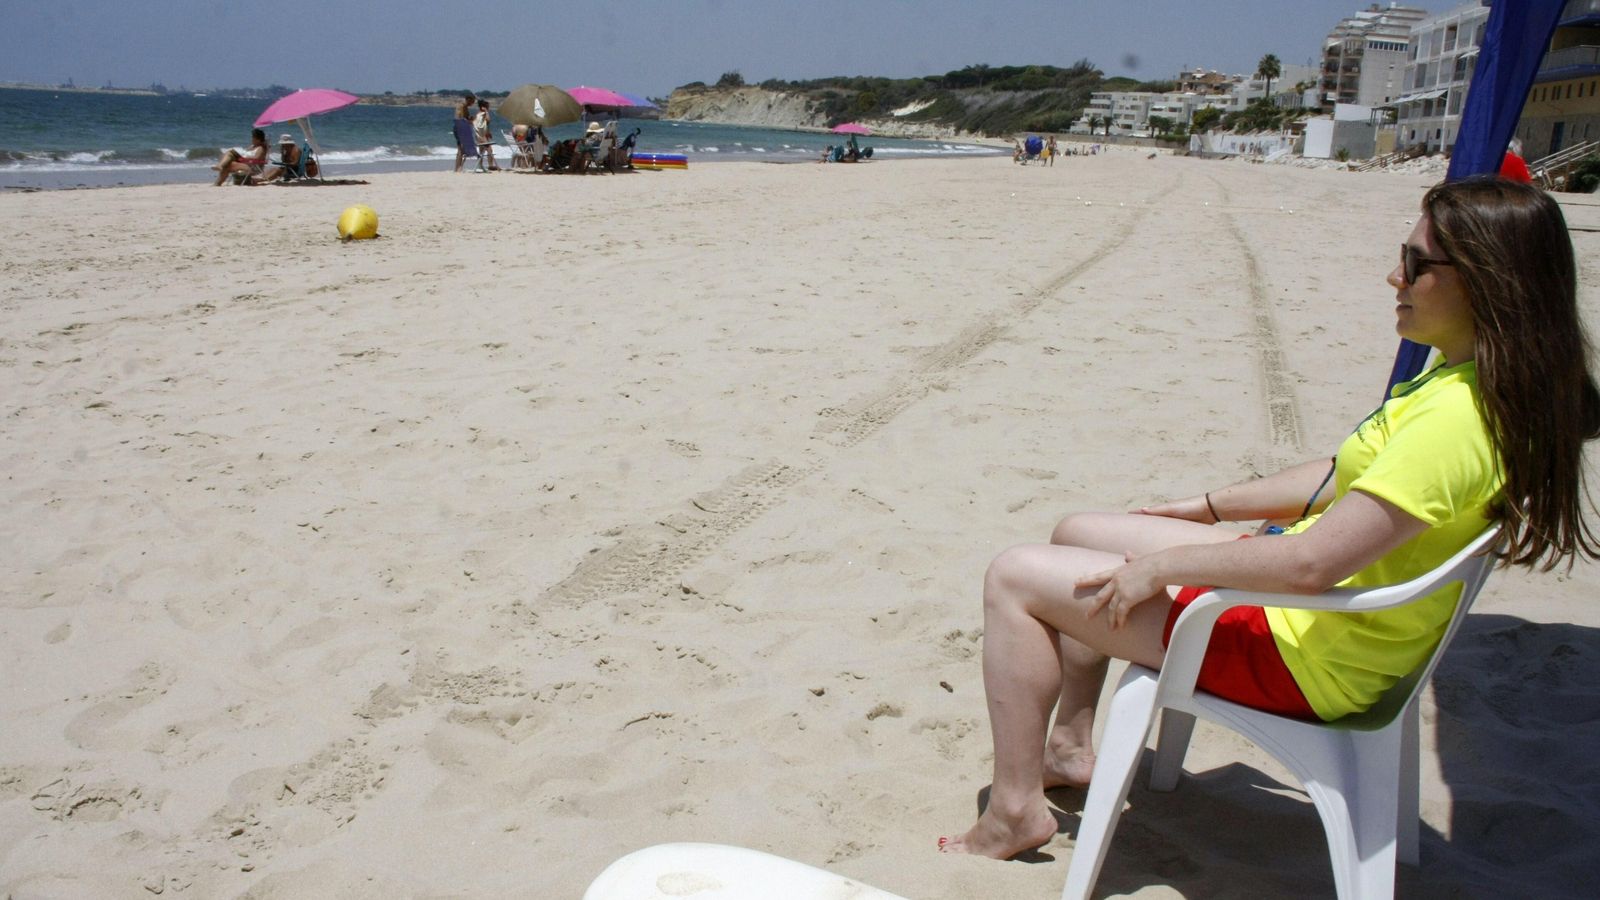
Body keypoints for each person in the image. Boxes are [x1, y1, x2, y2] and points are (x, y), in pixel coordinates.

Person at [939, 176, 1600, 859]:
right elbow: (1343, 476)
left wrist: (1162, 566)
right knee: (1079, 530)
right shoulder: (1467, 379)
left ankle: (1014, 812)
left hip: (1305, 652)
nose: (1392, 276)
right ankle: (1071, 748)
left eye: (1416, 265)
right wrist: (1205, 508)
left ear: (1486, 283)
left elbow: (1312, 566)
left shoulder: (1456, 424)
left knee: (1013, 578)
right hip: (1327, 621)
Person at [474, 99, 498, 171]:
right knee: (489, 149)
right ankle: (490, 165)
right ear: (483, 107)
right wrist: (486, 112)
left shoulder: (478, 114)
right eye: (487, 107)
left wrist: (488, 132)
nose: (488, 108)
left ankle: (480, 165)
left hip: (480, 135)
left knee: (481, 151)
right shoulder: (483, 113)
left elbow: (483, 125)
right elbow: (488, 120)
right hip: (482, 135)